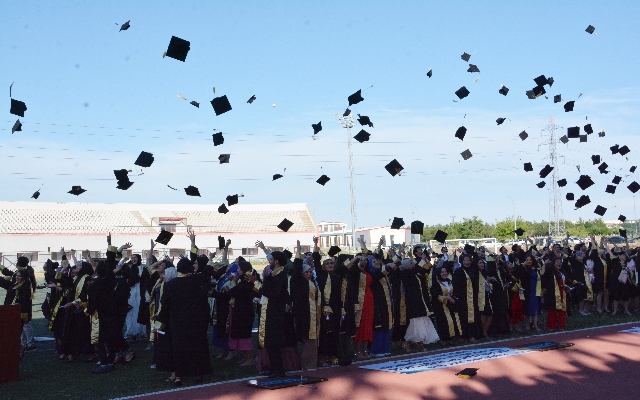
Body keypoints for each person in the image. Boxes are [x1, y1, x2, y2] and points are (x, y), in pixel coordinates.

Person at [157, 257, 212, 385]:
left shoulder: (171, 284)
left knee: (178, 348)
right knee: (197, 347)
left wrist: (161, 319)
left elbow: (165, 303)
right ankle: (198, 373)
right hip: (196, 320)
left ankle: (178, 376)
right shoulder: (197, 280)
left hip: (177, 321)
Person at [257, 251, 290, 378]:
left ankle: (279, 370)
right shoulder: (276, 274)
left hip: (275, 312)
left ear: (276, 261)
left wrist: (258, 284)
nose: (269, 261)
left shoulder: (280, 274)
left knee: (273, 342)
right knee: (270, 342)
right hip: (271, 310)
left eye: (271, 259)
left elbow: (273, 293)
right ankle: (275, 368)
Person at [291, 241, 321, 370]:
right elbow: (297, 269)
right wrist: (298, 253)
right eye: (306, 272)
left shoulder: (312, 282)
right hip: (303, 314)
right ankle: (306, 365)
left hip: (314, 313)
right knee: (307, 338)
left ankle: (311, 364)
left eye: (310, 271)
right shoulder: (298, 281)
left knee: (313, 340)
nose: (308, 274)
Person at [226, 261, 258, 367]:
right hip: (241, 310)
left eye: (239, 269)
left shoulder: (247, 282)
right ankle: (246, 358)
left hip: (245, 312)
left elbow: (235, 292)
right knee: (240, 334)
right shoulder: (243, 281)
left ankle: (249, 359)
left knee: (244, 336)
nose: (237, 270)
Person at [151, 265, 177, 382]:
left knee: (171, 347)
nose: (164, 276)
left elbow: (166, 305)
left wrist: (160, 318)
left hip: (170, 320)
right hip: (167, 318)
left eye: (166, 274)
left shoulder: (170, 288)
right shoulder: (166, 285)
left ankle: (175, 372)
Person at [0, 269, 32, 357]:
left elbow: (26, 303)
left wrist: (24, 316)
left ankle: (20, 351)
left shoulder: (25, 288)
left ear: (24, 277)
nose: (17, 277)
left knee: (16, 334)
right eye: (16, 275)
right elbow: (3, 283)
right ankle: (16, 350)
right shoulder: (15, 284)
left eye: (19, 276)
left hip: (17, 314)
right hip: (9, 312)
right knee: (10, 333)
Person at [430, 265, 462, 345]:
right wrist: (446, 298)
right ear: (438, 273)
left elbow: (453, 291)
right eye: (442, 272)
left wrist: (453, 297)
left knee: (452, 321)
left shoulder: (449, 281)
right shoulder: (435, 283)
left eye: (445, 272)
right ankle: (443, 339)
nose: (444, 273)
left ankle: (450, 338)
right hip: (440, 306)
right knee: (443, 323)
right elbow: (435, 295)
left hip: (450, 305)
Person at [453, 255, 480, 342]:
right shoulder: (458, 271)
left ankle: (474, 334)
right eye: (465, 260)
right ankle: (465, 335)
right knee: (464, 317)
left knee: (474, 316)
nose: (467, 262)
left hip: (473, 298)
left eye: (469, 260)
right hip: (463, 299)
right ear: (461, 261)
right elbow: (456, 285)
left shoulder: (473, 270)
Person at [124, 253, 147, 341]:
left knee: (140, 310)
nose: (133, 259)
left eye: (135, 257)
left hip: (140, 291)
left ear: (138, 259)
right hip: (131, 292)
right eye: (132, 257)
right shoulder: (128, 268)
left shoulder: (142, 268)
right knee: (131, 311)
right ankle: (132, 331)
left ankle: (142, 331)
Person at [542, 258, 567, 330]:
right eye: (557, 262)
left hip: (562, 292)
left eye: (560, 262)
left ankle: (561, 325)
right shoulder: (550, 271)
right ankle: (551, 326)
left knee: (562, 310)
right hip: (552, 294)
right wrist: (545, 264)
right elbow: (542, 273)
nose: (560, 263)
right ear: (553, 264)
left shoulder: (562, 272)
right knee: (552, 310)